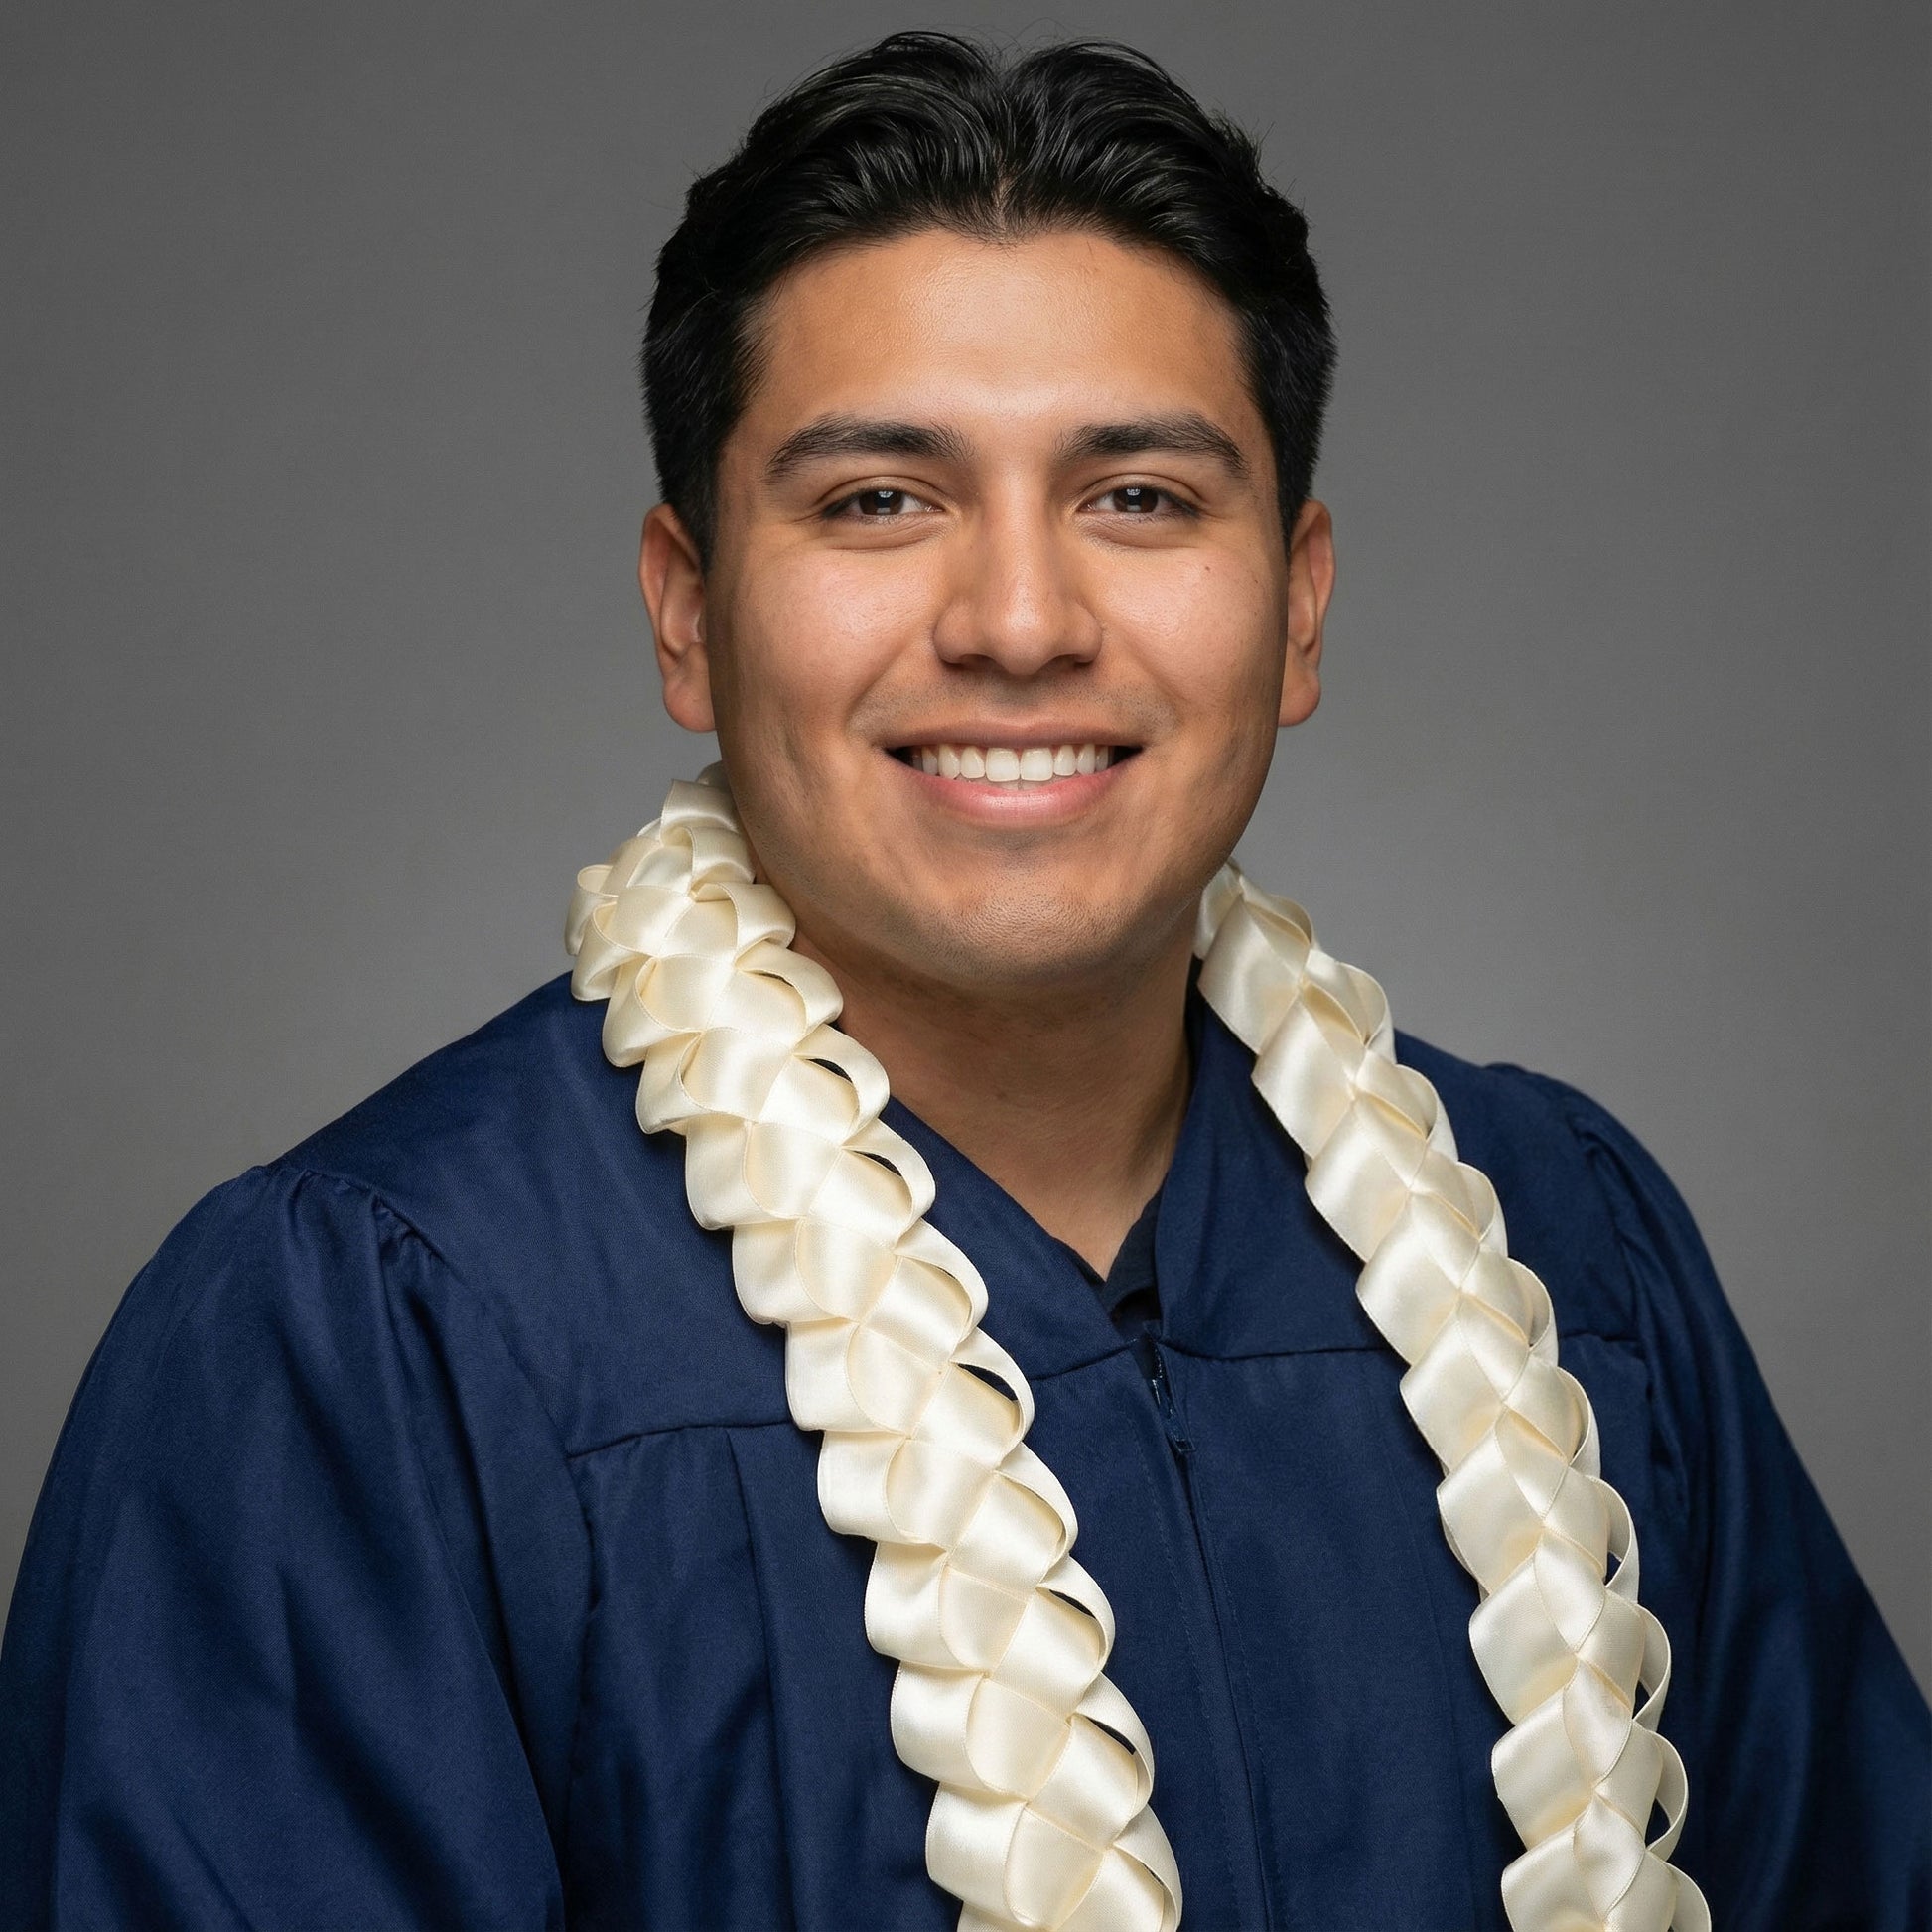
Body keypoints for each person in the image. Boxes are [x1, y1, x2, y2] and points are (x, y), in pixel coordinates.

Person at [1, 30, 1924, 1932]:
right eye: (877, 501)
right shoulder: (365, 1344)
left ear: (1299, 601)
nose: (1019, 622)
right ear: (686, 607)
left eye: (1140, 498)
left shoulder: (1564, 1261)